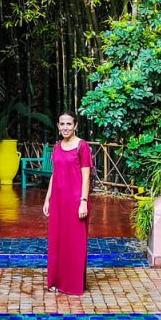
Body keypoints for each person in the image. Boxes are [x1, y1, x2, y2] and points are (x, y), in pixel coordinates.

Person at [43, 112, 93, 295]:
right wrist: (48, 198)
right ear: (58, 126)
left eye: (69, 124)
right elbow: (55, 174)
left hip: (75, 201)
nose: (65, 127)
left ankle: (72, 284)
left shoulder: (82, 146)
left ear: (75, 125)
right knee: (58, 242)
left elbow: (86, 176)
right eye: (62, 124)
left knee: (75, 243)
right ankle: (57, 281)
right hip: (58, 201)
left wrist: (83, 201)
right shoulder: (57, 147)